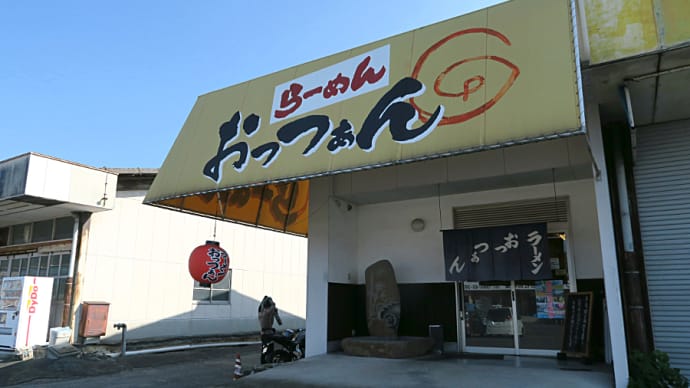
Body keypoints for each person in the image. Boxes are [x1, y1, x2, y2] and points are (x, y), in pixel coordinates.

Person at [258, 296, 293, 363]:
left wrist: (275, 312)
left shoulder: (264, 311)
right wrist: (273, 306)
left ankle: (267, 361)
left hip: (268, 333)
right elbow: (279, 322)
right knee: (266, 350)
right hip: (267, 333)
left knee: (268, 350)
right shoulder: (265, 312)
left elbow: (279, 322)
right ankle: (264, 362)